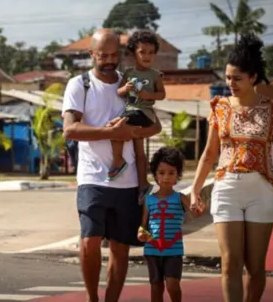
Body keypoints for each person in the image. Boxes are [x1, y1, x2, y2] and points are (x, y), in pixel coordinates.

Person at [188, 34, 273, 302]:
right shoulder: (220, 107)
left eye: (237, 78)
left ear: (253, 77)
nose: (230, 84)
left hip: (262, 192)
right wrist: (195, 190)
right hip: (226, 189)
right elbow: (209, 153)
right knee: (229, 263)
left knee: (255, 267)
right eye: (227, 77)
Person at [62, 28, 162, 302]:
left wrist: (134, 133)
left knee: (120, 250)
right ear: (91, 54)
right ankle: (92, 298)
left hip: (128, 182)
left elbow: (154, 125)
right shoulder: (79, 85)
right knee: (89, 242)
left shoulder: (131, 82)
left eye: (113, 54)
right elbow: (70, 130)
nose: (108, 60)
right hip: (92, 178)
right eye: (102, 55)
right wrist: (111, 133)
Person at [138, 147, 202, 302]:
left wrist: (198, 205)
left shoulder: (180, 198)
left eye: (171, 173)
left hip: (173, 250)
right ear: (155, 175)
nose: (166, 177)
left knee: (173, 285)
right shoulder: (149, 200)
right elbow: (143, 224)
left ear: (178, 176)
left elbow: (197, 211)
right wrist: (141, 233)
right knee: (156, 287)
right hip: (153, 249)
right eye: (161, 173)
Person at [109, 31, 166, 201]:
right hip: (132, 110)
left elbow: (161, 94)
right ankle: (143, 184)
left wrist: (148, 95)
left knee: (115, 127)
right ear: (134, 53)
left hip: (144, 113)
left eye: (151, 53)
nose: (147, 56)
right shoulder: (128, 73)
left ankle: (118, 161)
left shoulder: (156, 75)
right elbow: (119, 92)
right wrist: (125, 89)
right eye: (142, 52)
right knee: (139, 152)